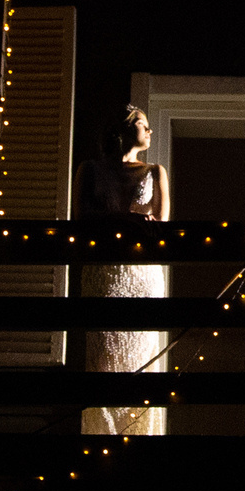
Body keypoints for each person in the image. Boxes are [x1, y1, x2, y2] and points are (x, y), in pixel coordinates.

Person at [73, 104, 170, 436]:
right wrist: (125, 219)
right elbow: (82, 218)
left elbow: (161, 226)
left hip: (142, 274)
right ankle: (101, 437)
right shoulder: (90, 170)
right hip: (104, 271)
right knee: (104, 355)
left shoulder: (156, 171)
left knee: (140, 355)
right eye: (144, 124)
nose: (150, 130)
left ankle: (138, 435)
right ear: (124, 130)